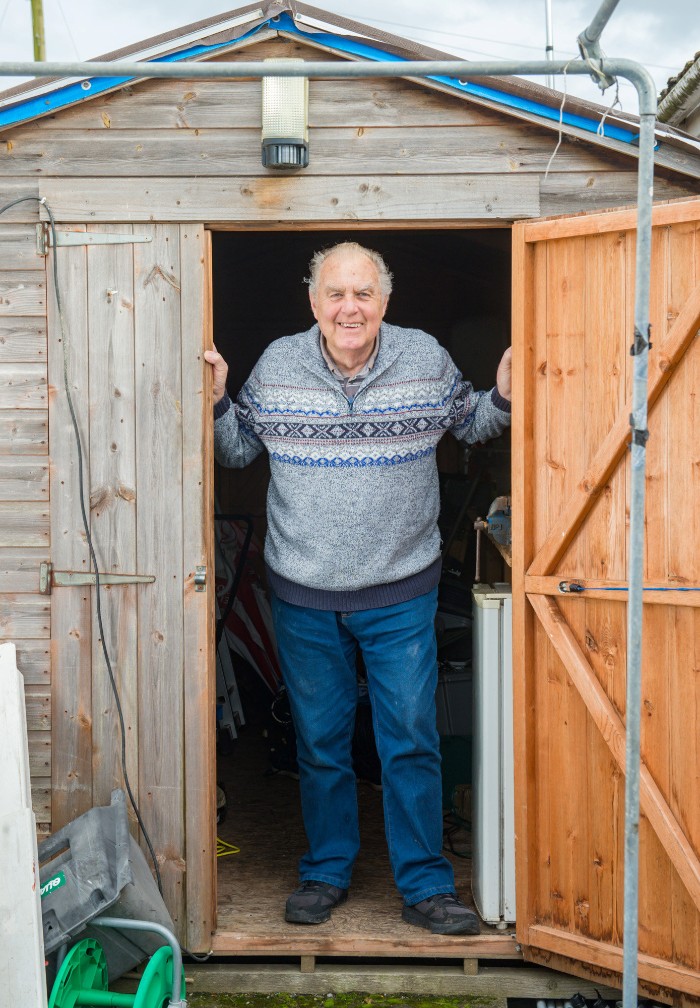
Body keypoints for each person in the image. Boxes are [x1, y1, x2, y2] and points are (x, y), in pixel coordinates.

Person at [205, 242, 511, 936]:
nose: (350, 308)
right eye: (336, 294)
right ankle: (326, 870)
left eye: (364, 294)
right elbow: (238, 452)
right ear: (313, 303)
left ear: (385, 302)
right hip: (303, 591)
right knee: (320, 740)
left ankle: (427, 885)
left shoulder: (424, 356)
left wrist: (504, 395)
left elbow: (471, 426)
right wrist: (219, 399)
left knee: (410, 737)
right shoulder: (280, 364)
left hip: (401, 590)